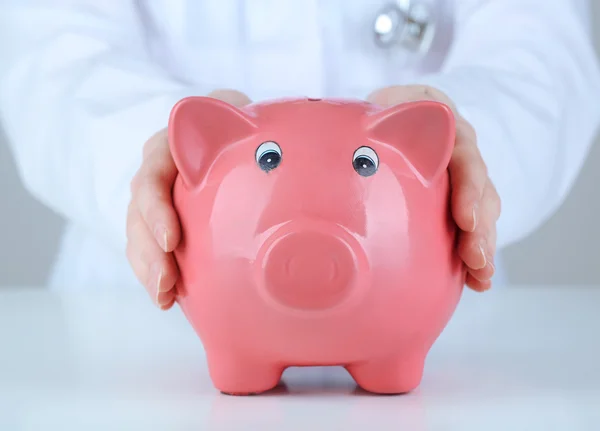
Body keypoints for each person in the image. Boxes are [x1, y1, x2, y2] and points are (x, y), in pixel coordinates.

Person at [0, 1, 598, 310]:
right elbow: (50, 57)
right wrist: (168, 153)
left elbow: (540, 56)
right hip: (133, 324)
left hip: (443, 329)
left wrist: (452, 136)